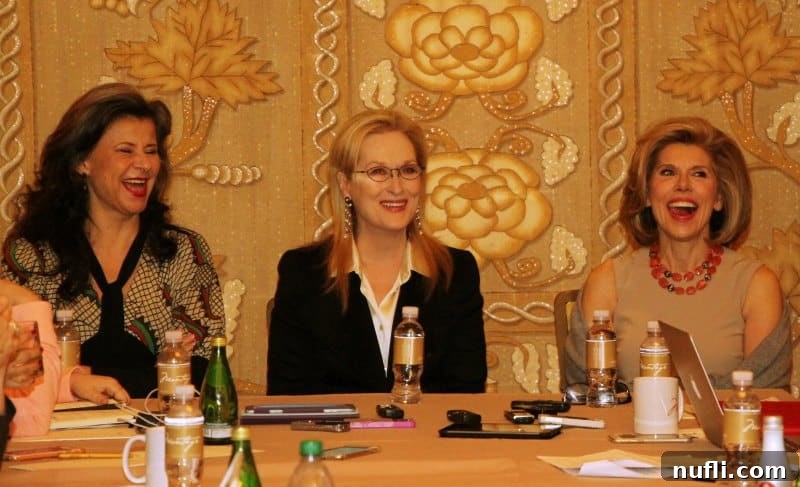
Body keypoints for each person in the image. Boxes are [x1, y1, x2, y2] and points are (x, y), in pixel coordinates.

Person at [2, 83, 225, 400]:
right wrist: (158, 369)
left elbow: (203, 372)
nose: (144, 164)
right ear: (82, 162)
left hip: (161, 431)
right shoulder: (31, 255)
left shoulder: (184, 252)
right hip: (59, 439)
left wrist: (74, 378)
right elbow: (18, 373)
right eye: (126, 150)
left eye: (151, 151)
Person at [268, 109, 486, 394]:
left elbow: (465, 392)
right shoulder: (304, 272)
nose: (396, 187)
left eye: (408, 170)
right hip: (335, 438)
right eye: (378, 172)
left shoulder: (455, 271)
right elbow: (289, 397)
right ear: (345, 185)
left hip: (427, 437)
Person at [564, 116, 791, 389]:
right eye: (668, 172)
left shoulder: (757, 285)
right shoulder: (607, 281)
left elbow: (764, 398)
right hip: (623, 432)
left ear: (719, 198)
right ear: (647, 194)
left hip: (725, 433)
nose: (683, 185)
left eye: (699, 174)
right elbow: (582, 395)